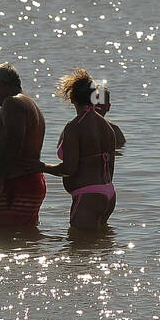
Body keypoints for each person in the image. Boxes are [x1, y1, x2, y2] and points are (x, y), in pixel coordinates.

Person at [41, 70, 118, 230]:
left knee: (78, 251)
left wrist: (41, 167)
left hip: (87, 196)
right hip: (109, 193)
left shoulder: (74, 127)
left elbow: (69, 168)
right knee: (100, 248)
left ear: (71, 98)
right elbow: (110, 169)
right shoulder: (108, 127)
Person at [0, 64, 47, 228]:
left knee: (7, 238)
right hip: (25, 181)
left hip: (17, 183)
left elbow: (14, 143)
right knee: (24, 237)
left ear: (2, 84)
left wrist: (0, 183)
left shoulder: (13, 103)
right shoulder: (27, 103)